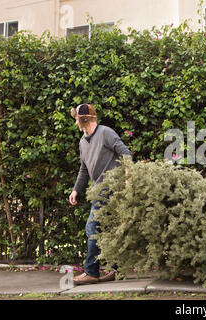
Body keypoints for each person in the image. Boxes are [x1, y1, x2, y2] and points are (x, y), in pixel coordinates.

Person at [68, 103, 132, 285]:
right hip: (98, 190)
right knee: (109, 229)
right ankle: (118, 270)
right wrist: (75, 190)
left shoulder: (105, 133)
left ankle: (91, 272)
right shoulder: (83, 141)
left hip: (111, 186)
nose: (76, 123)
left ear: (84, 120)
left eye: (77, 120)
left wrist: (127, 177)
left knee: (91, 226)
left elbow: (125, 153)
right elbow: (84, 169)